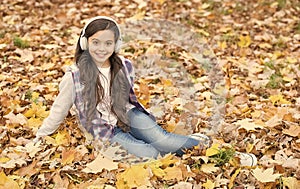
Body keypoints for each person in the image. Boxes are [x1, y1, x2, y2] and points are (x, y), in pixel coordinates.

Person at [34, 16, 256, 166]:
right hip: (104, 130)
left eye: (108, 43)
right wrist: (42, 135)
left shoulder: (124, 66)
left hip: (127, 114)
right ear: (84, 43)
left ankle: (225, 156)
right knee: (151, 154)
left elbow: (125, 98)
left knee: (164, 140)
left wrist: (140, 122)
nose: (102, 49)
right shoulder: (74, 76)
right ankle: (187, 146)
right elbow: (59, 109)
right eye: (96, 42)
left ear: (116, 45)